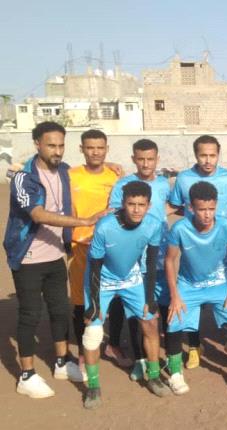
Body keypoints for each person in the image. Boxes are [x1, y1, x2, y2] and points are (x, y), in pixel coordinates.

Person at [5, 121, 100, 399]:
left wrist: (112, 165)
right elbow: (37, 215)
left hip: (56, 254)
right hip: (29, 257)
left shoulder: (66, 171)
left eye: (61, 145)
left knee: (60, 311)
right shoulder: (24, 177)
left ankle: (61, 362)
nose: (57, 151)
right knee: (30, 314)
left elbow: (89, 173)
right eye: (51, 145)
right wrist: (83, 221)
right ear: (37, 144)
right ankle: (26, 375)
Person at [81, 181, 171, 409]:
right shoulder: (105, 226)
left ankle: (153, 376)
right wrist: (94, 305)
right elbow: (95, 266)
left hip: (131, 278)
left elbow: (151, 261)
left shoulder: (153, 225)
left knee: (150, 322)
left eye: (141, 204)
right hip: (102, 280)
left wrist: (149, 299)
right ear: (123, 203)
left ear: (149, 205)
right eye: (131, 204)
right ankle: (93, 387)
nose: (136, 209)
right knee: (92, 332)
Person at [164, 182, 227, 393]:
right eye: (202, 209)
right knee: (173, 320)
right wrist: (175, 296)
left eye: (211, 209)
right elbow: (170, 260)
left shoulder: (226, 226)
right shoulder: (180, 228)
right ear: (191, 207)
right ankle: (175, 373)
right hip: (188, 284)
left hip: (219, 282)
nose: (207, 214)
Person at [168, 135, 227, 369]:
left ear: (218, 155)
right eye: (203, 155)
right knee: (194, 295)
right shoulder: (184, 178)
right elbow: (175, 206)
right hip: (196, 243)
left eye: (212, 155)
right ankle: (194, 346)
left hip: (223, 244)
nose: (208, 160)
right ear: (195, 155)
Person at [109, 138, 174, 380]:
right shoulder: (123, 185)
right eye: (141, 159)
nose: (146, 164)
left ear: (157, 159)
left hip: (159, 255)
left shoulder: (164, 184)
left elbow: (173, 205)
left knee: (163, 304)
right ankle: (140, 359)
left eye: (150, 159)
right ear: (133, 159)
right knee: (136, 311)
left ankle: (168, 355)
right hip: (133, 258)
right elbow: (115, 214)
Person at [68, 129, 130, 380]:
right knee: (80, 300)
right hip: (80, 245)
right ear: (81, 149)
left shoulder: (115, 176)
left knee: (115, 297)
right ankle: (84, 353)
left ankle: (113, 344)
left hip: (109, 247)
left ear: (107, 149)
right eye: (90, 147)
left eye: (100, 147)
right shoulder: (70, 175)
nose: (95, 152)